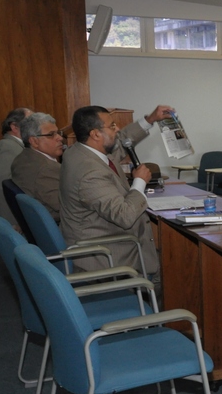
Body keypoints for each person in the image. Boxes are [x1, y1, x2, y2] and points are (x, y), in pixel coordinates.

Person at [59, 105, 158, 276]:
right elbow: (125, 216)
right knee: (167, 269)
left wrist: (149, 120)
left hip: (100, 237)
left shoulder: (78, 151)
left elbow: (120, 144)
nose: (117, 129)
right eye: (112, 126)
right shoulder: (90, 173)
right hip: (106, 255)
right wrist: (139, 181)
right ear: (95, 134)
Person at [11, 112, 64, 222]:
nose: (60, 138)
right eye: (51, 134)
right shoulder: (47, 169)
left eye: (58, 133)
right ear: (34, 141)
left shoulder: (22, 158)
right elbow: (66, 207)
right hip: (59, 226)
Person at [0, 107, 32, 227]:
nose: (34, 126)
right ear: (14, 127)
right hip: (15, 220)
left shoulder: (21, 147)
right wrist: (12, 221)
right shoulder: (5, 147)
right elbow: (1, 187)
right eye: (30, 122)